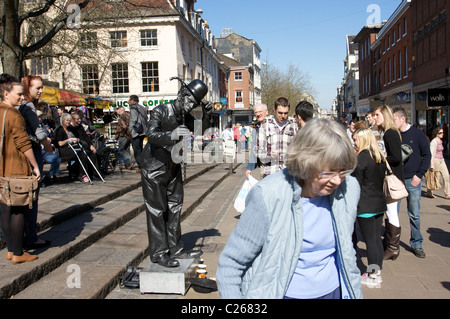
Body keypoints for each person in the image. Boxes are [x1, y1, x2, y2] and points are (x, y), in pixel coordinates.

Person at [216, 118, 362, 299]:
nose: (338, 180)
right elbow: (231, 264)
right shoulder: (269, 195)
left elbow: (347, 252)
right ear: (306, 163)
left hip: (333, 291)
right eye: (329, 172)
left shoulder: (349, 189)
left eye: (344, 171)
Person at [141, 79, 210, 268]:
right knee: (156, 210)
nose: (191, 105)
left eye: (195, 103)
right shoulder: (160, 110)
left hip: (173, 165)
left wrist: (206, 116)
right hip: (154, 167)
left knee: (175, 206)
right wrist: (170, 135)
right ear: (182, 94)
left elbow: (200, 131)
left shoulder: (184, 116)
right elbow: (151, 134)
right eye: (190, 100)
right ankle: (159, 253)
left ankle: (176, 248)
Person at [0, 73, 41, 264]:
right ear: (6, 93)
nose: (21, 97)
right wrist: (35, 166)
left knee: (6, 209)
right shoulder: (14, 114)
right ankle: (18, 253)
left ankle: (11, 249)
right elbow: (24, 144)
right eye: (18, 93)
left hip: (2, 167)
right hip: (16, 167)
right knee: (18, 210)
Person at [393, 107, 431, 258]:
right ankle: (392, 244)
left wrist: (419, 174)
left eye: (394, 119)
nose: (392, 122)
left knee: (414, 214)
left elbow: (427, 155)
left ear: (403, 119)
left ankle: (417, 244)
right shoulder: (393, 135)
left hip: (413, 181)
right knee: (392, 214)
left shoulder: (417, 134)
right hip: (396, 181)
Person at [352, 128, 387, 286]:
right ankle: (377, 270)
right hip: (379, 204)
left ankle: (373, 275)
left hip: (366, 205)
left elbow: (355, 183)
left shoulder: (363, 157)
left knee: (370, 241)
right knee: (376, 240)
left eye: (356, 140)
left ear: (363, 139)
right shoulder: (378, 155)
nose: (354, 143)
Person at [20, 75, 52, 249]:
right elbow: (39, 133)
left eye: (41, 88)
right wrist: (47, 144)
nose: (41, 91)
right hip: (32, 151)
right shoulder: (28, 105)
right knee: (32, 195)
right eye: (37, 88)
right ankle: (31, 236)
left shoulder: (18, 105)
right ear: (27, 88)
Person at [374, 105, 404, 261]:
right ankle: (391, 245)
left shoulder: (390, 133)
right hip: (393, 178)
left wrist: (382, 159)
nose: (375, 117)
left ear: (384, 116)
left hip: (393, 179)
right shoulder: (389, 133)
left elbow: (397, 157)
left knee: (392, 212)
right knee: (390, 211)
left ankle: (393, 248)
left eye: (377, 115)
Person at [256, 97, 297, 177]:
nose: (283, 116)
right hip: (270, 173)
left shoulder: (294, 124)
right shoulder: (265, 125)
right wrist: (269, 154)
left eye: (286, 113)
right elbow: (258, 151)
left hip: (289, 173)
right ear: (274, 110)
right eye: (280, 113)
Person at [54, 113, 93, 183]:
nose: (68, 122)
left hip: (74, 147)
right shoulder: (60, 130)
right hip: (64, 149)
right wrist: (69, 140)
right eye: (67, 120)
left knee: (84, 153)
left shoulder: (71, 129)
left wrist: (76, 139)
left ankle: (82, 173)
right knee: (81, 155)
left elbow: (78, 136)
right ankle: (81, 174)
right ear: (63, 120)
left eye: (69, 120)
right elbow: (60, 143)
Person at [245, 103, 268, 178]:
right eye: (256, 112)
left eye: (260, 111)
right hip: (263, 165)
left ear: (266, 112)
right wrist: (249, 168)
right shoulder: (256, 128)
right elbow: (254, 148)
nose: (258, 114)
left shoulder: (273, 126)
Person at [427, 127, 450, 199]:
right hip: (435, 160)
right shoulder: (434, 142)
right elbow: (431, 153)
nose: (442, 134)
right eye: (440, 133)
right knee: (433, 177)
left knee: (446, 176)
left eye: (443, 133)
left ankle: (447, 193)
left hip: (441, 160)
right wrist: (432, 164)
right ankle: (430, 192)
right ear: (436, 134)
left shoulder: (440, 141)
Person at [128, 95, 147, 171]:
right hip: (142, 131)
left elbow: (133, 120)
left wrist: (130, 129)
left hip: (136, 132)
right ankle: (144, 165)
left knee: (137, 150)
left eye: (130, 100)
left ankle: (141, 166)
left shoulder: (133, 108)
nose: (129, 102)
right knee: (141, 149)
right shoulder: (142, 108)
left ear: (133, 101)